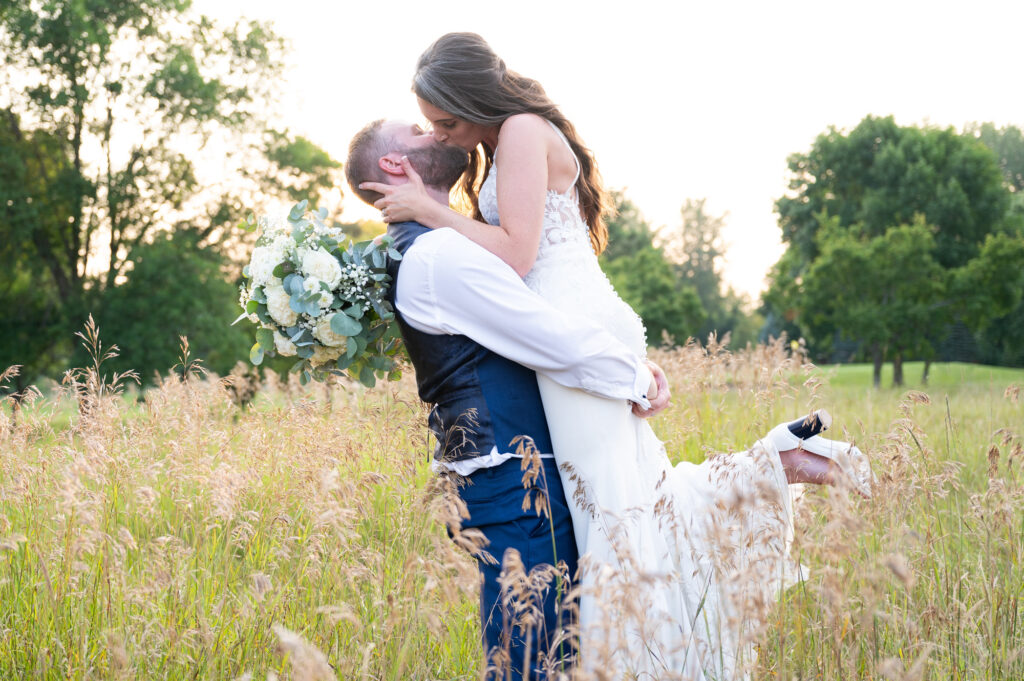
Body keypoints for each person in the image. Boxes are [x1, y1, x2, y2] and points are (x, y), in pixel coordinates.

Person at [358, 33, 875, 679]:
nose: (447, 136)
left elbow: (517, 255)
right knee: (627, 503)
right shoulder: (498, 144)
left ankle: (765, 477)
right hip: (567, 335)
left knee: (619, 516)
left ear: (472, 98)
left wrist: (431, 213)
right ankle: (771, 463)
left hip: (575, 331)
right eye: (432, 127)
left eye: (447, 121)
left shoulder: (517, 128)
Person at [346, 119, 669, 680]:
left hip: (510, 477)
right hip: (513, 482)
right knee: (533, 659)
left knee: (548, 652)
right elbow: (544, 334)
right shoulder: (436, 255)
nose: (440, 135)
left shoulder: (434, 243)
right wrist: (634, 377)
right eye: (421, 130)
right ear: (395, 166)